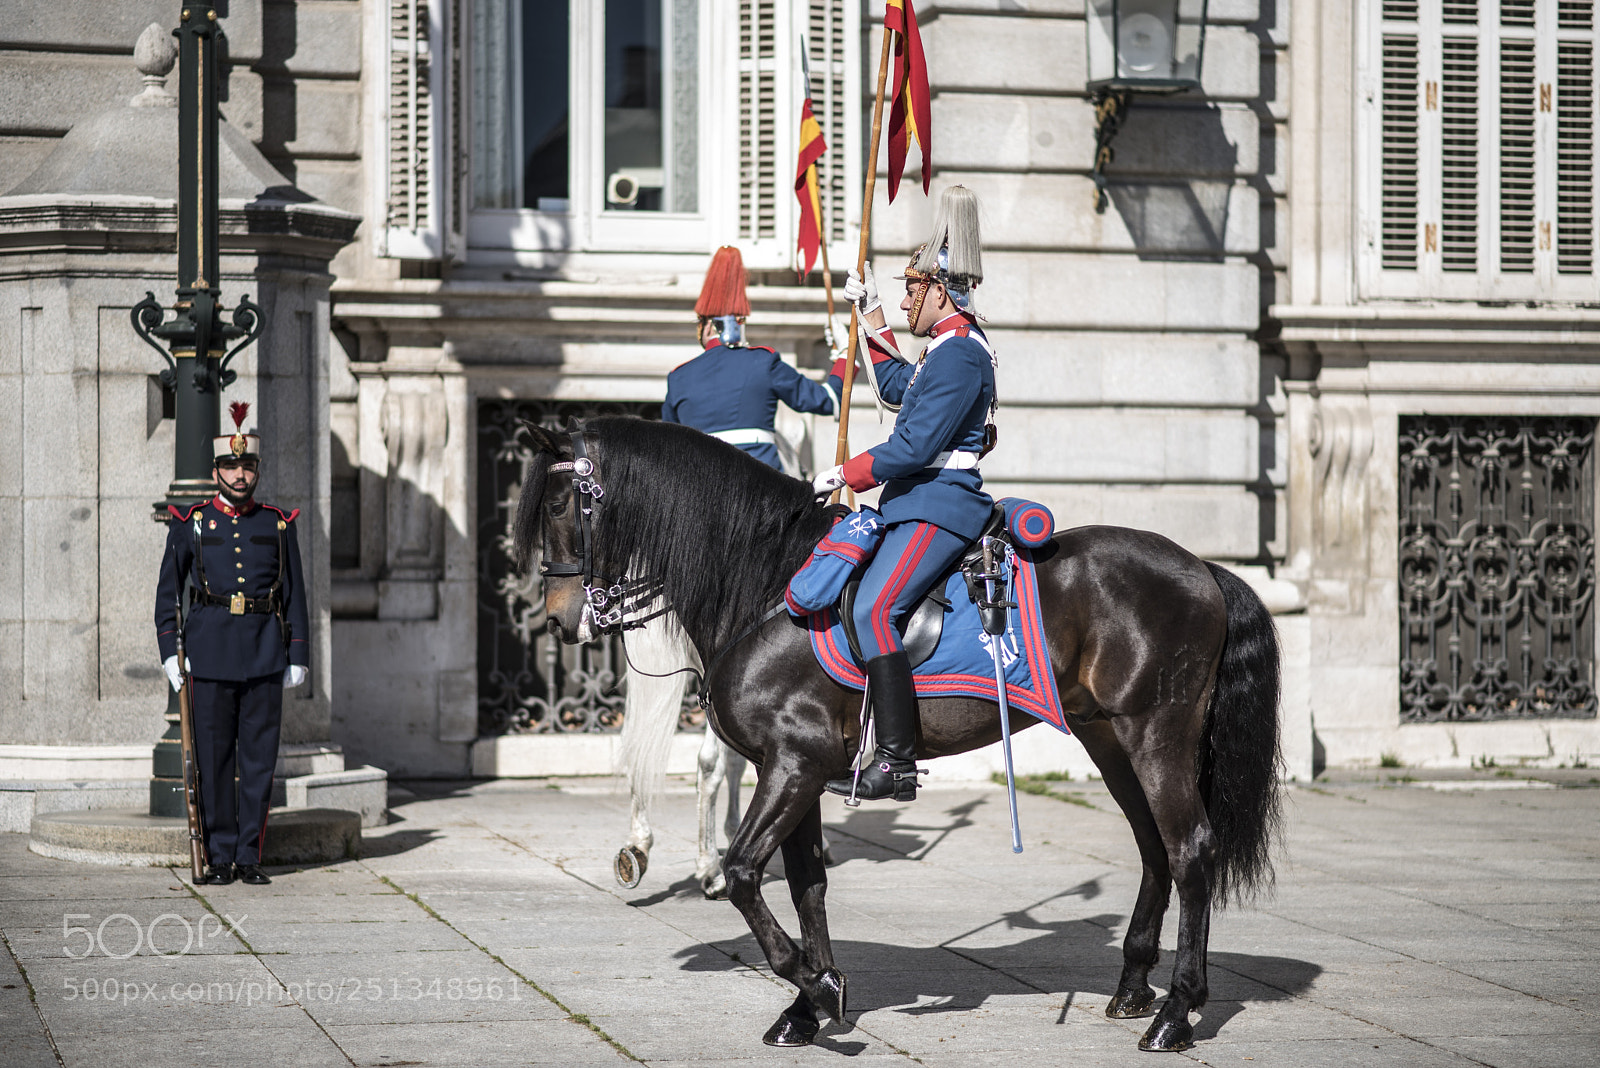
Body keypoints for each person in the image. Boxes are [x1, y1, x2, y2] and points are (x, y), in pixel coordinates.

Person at [812, 186, 997, 803]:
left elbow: (914, 448)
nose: (907, 298)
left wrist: (846, 473)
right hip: (914, 500)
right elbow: (895, 385)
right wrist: (870, 317)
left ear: (942, 289)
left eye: (914, 288)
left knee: (873, 608)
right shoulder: (942, 351)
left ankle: (895, 761)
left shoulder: (962, 354)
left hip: (938, 502)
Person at [155, 402, 309, 886]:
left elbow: (296, 593)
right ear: (217, 470)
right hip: (210, 654)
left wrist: (297, 654)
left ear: (256, 470)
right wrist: (168, 652)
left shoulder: (278, 524)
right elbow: (167, 596)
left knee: (259, 762)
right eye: (231, 466)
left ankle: (249, 856)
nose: (240, 476)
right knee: (214, 762)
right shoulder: (192, 522)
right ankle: (219, 856)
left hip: (264, 652)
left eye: (247, 467)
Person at [664, 245, 866, 473]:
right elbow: (828, 401)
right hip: (758, 482)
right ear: (737, 323)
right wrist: (844, 356)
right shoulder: (763, 362)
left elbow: (668, 448)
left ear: (707, 325)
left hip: (701, 487)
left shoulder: (678, 377)